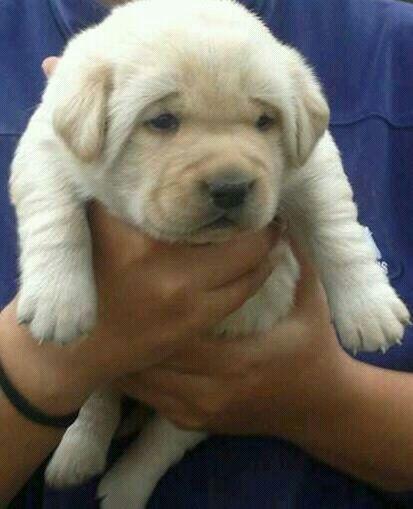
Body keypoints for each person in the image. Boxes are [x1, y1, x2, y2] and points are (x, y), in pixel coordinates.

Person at [0, 0, 412, 508]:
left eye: (262, 122)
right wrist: (46, 369)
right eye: (164, 121)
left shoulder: (389, 47)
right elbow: (43, 161)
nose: (229, 176)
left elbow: (316, 171)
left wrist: (322, 399)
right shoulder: (83, 65)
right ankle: (96, 418)